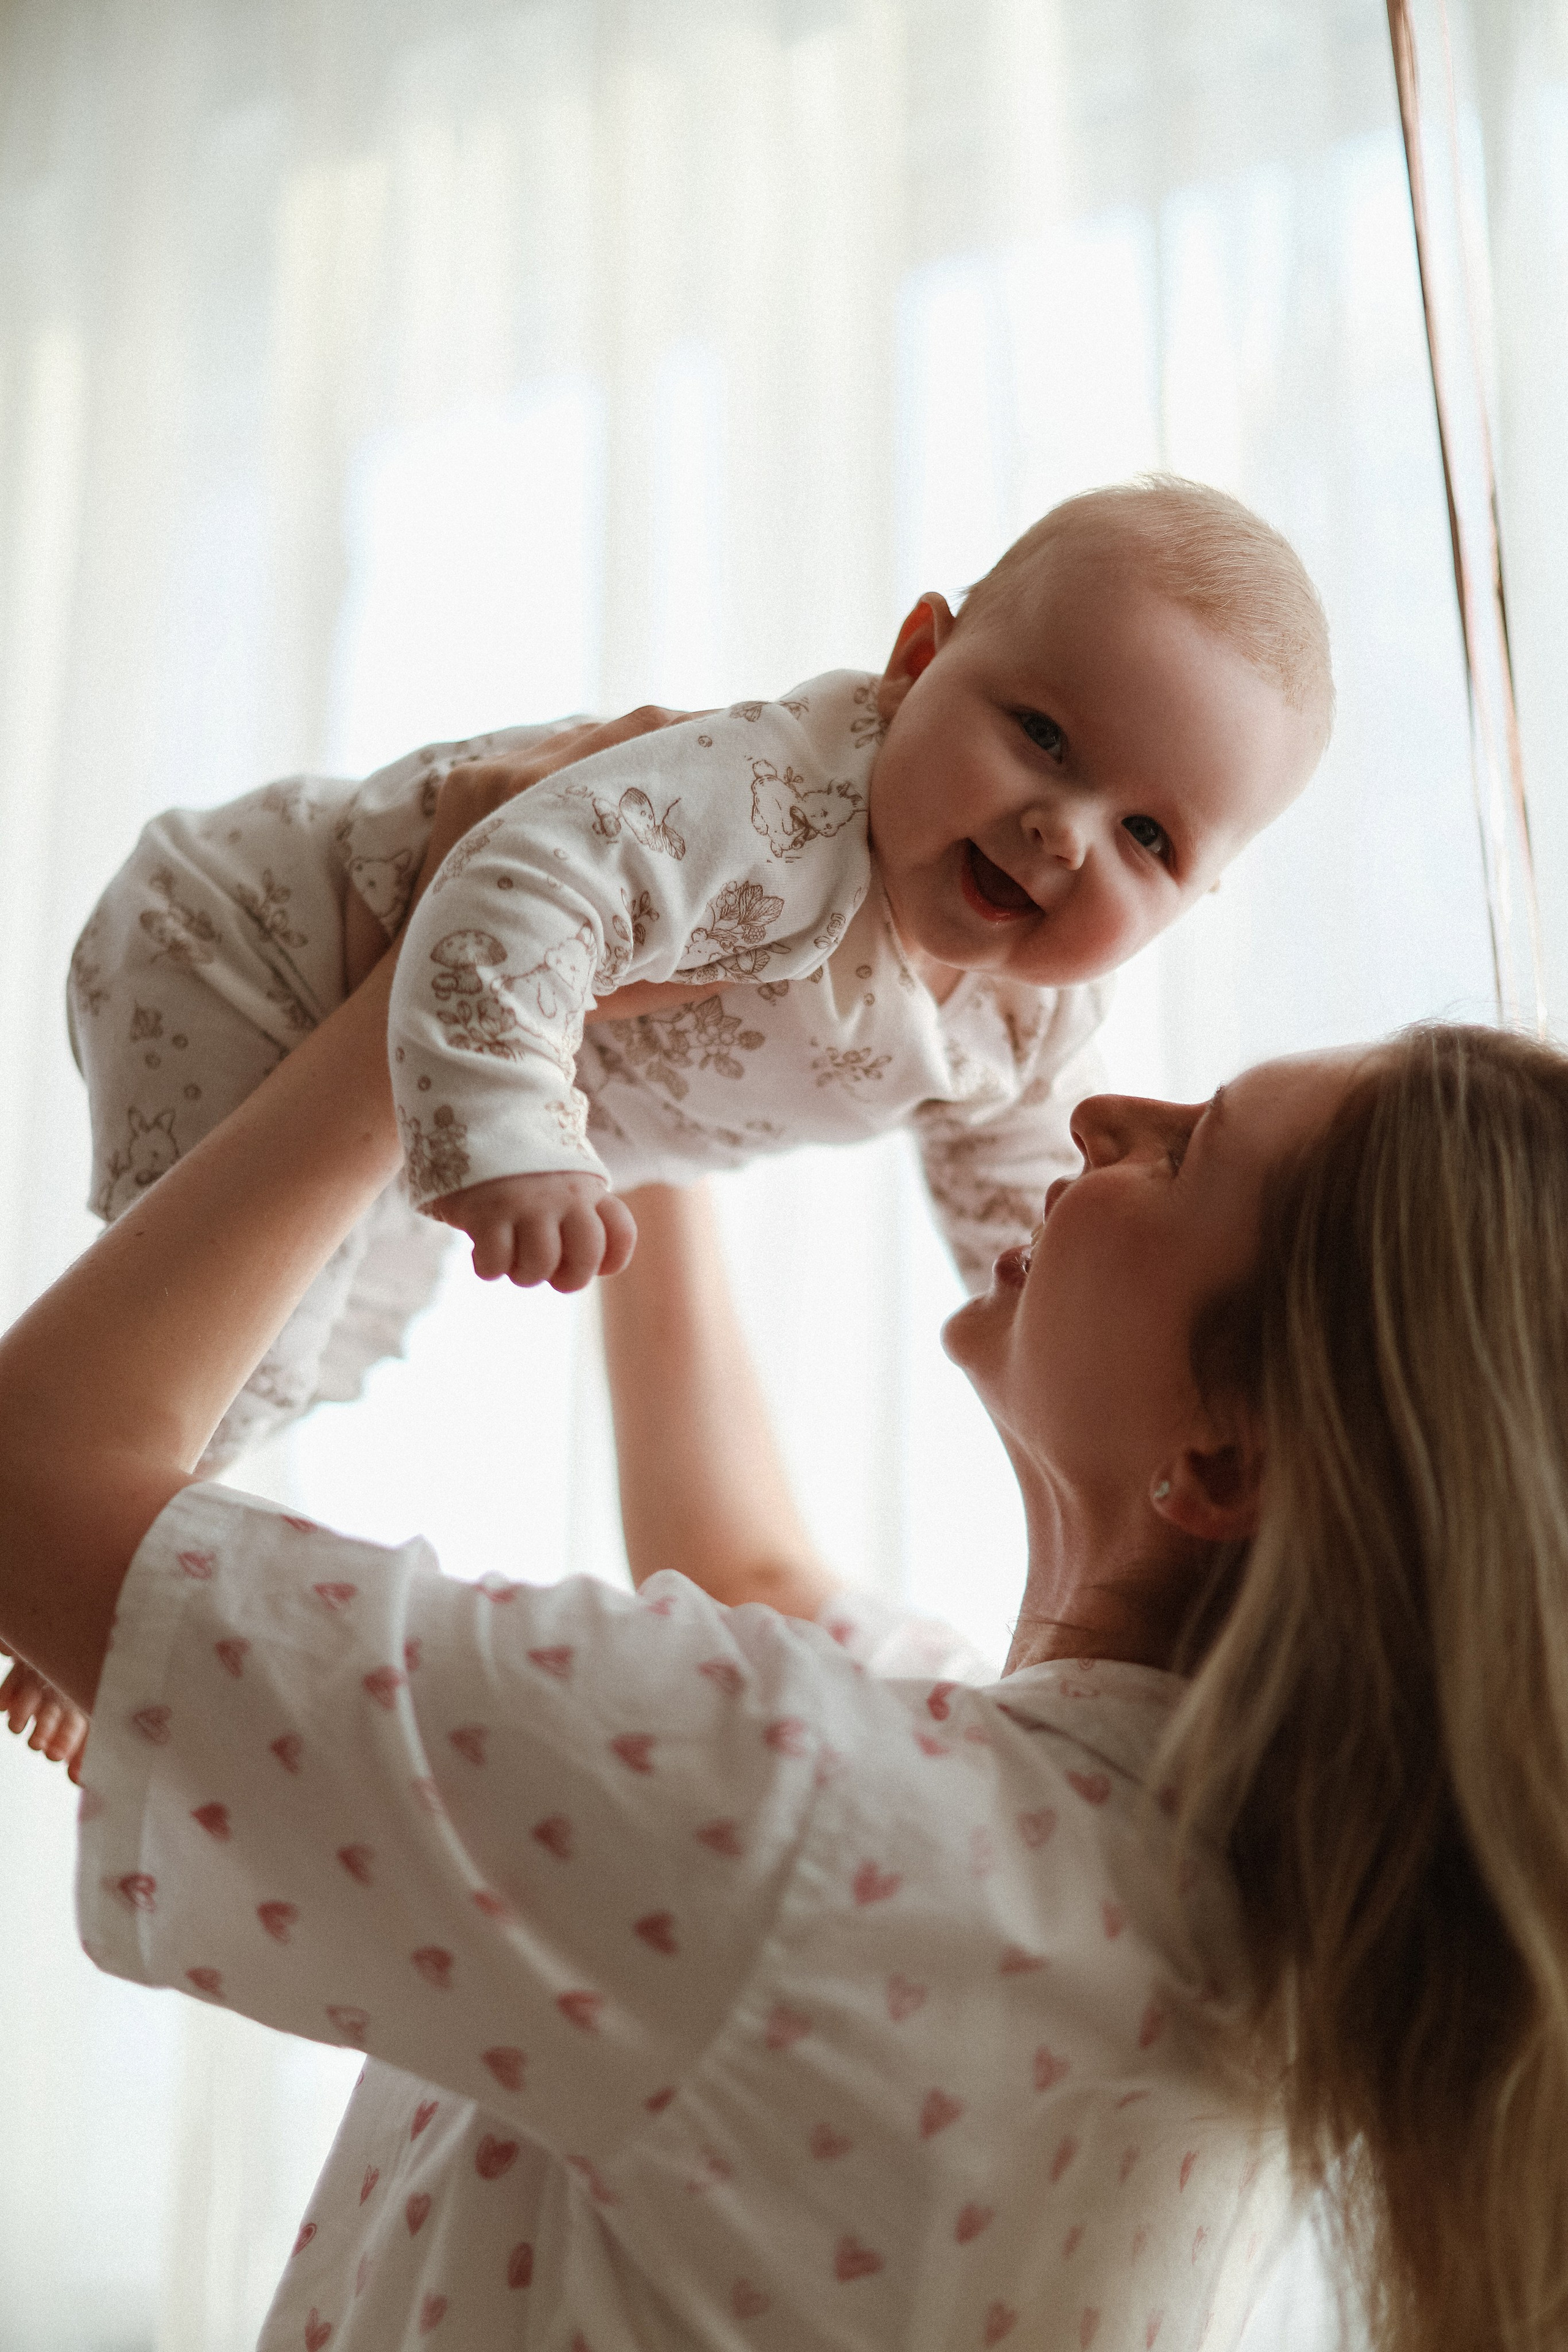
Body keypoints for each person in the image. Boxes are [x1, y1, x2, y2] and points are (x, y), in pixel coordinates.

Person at [4, 760, 1564, 2350]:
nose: (1103, 1110)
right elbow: (741, 1567)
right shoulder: (1153, 1916)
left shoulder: (802, 1820)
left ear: (1223, 1460)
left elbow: (35, 1482)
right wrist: (595, 1037)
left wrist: (446, 981)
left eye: (1188, 1152)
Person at [69, 475, 1331, 1474]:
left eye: (1147, 838)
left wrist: (1132, 1389)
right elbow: (520, 883)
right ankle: (84, 1575)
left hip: (413, 1074)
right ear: (913, 661)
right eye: (1041, 737)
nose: (1063, 830)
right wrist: (512, 1130)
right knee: (248, 1349)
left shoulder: (1021, 1025)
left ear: (1196, 898)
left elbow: (1027, 1214)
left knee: (349, 1341)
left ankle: (110, 1541)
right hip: (254, 943)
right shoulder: (779, 803)